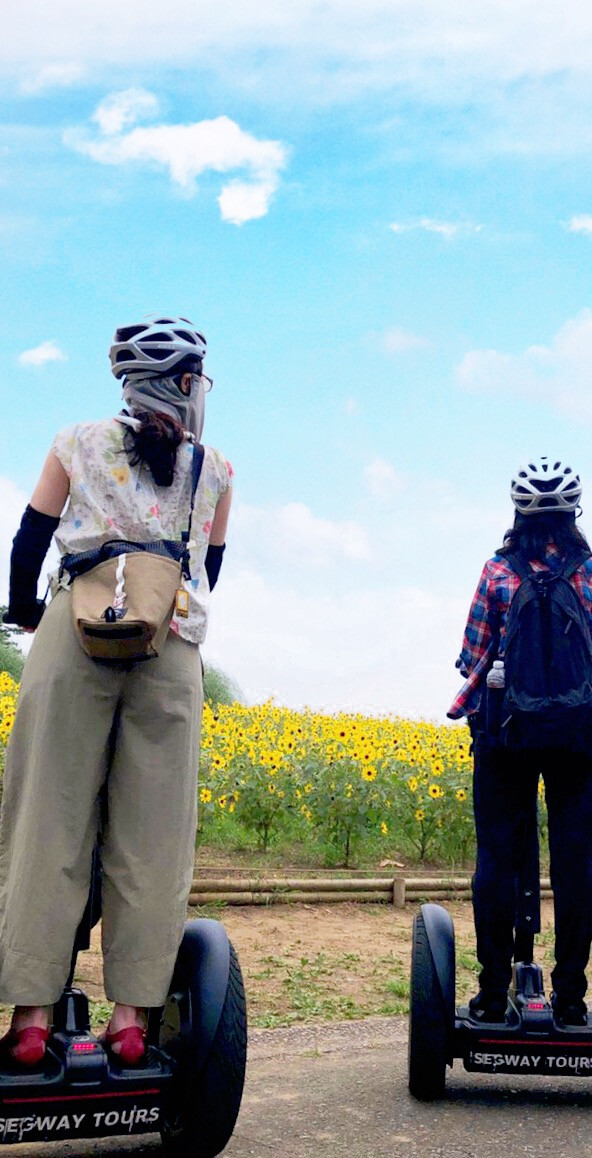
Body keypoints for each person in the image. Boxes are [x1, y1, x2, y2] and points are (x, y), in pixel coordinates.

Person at [0, 316, 233, 1067]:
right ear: (186, 384)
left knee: (47, 820)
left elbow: (28, 543)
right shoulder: (217, 469)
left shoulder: (75, 441)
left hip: (77, 632)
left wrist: (28, 614)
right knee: (154, 837)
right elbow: (209, 572)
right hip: (169, 644)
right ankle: (132, 1019)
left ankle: (32, 1021)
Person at [448, 457, 592, 1026]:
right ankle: (573, 998)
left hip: (506, 734)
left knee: (498, 859)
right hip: (580, 738)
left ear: (516, 513)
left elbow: (468, 657)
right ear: (574, 512)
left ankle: (491, 991)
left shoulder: (497, 573)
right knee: (576, 860)